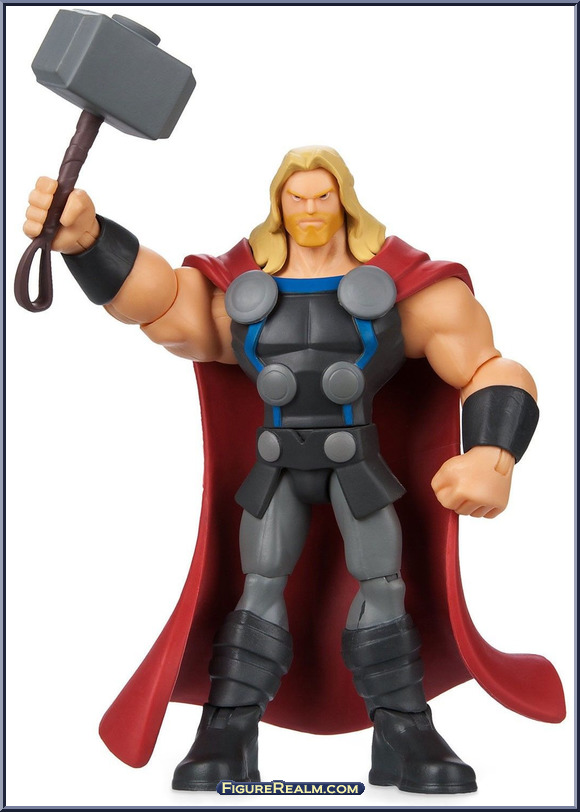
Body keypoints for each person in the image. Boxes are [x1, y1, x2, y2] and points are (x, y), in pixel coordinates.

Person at [23, 146, 562, 794]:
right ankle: (229, 727)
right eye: (296, 197)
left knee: (384, 584)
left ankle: (404, 726)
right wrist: (89, 240)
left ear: (345, 202)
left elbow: (489, 366)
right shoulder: (245, 293)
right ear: (279, 205)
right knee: (258, 586)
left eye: (322, 196)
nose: (309, 208)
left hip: (356, 465)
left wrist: (493, 454)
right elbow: (163, 307)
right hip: (277, 467)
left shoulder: (406, 292)